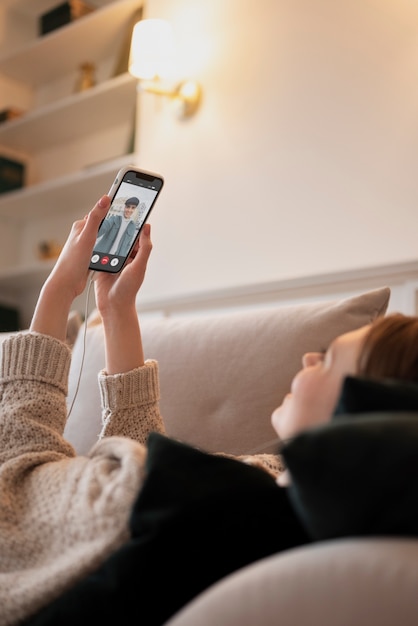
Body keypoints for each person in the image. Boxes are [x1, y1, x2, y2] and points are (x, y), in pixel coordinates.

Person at [1, 195, 418, 626]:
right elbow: (136, 472)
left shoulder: (225, 498)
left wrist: (57, 292)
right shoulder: (267, 484)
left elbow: (16, 484)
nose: (311, 359)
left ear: (365, 408)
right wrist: (116, 309)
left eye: (329, 359)